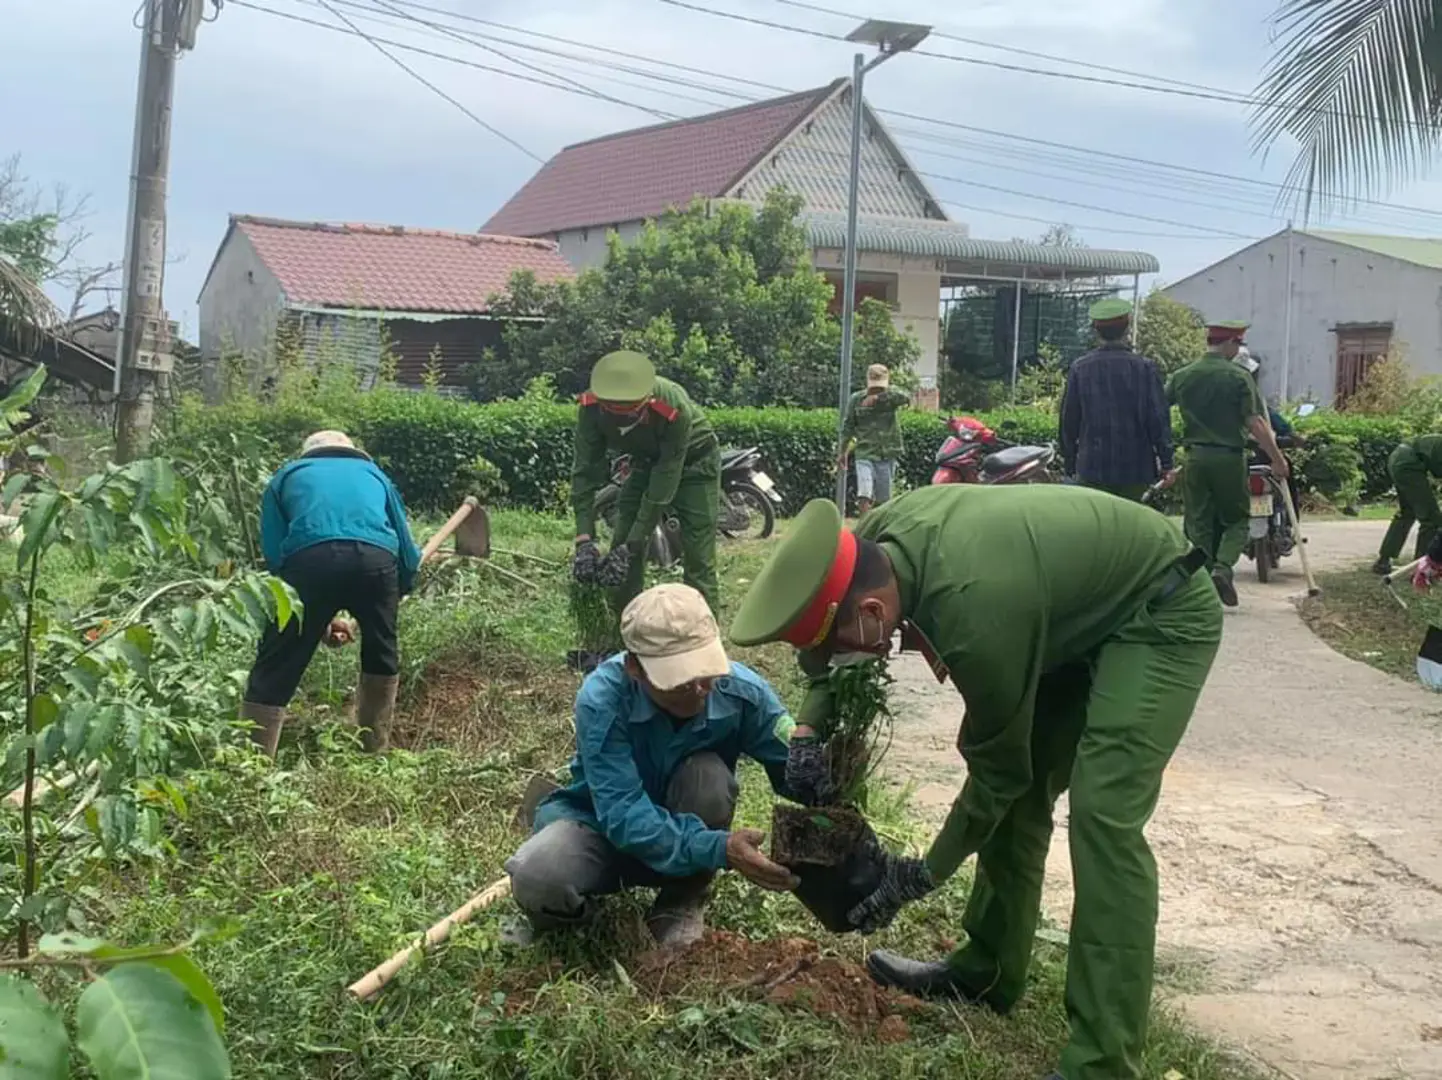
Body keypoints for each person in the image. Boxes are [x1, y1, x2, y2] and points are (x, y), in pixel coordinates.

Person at [729, 486, 1221, 1080]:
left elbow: (999, 769)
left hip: (1158, 609)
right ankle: (986, 968)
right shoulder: (876, 538)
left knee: (1103, 817)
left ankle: (1104, 1061)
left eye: (845, 646)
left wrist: (921, 875)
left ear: (875, 615)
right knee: (1021, 805)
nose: (851, 658)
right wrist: (807, 729)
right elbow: (841, 650)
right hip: (1069, 613)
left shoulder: (973, 610)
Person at [506, 583, 800, 948]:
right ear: (635, 669)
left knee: (708, 776)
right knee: (539, 876)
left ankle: (681, 898)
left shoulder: (743, 693)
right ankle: (587, 920)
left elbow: (797, 772)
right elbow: (624, 814)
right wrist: (719, 848)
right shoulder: (602, 700)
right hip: (601, 831)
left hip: (687, 829)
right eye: (679, 680)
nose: (697, 689)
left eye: (704, 672)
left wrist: (824, 764)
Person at [240, 430, 421, 756]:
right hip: (376, 562)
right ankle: (374, 749)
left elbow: (275, 554)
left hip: (309, 562)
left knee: (278, 659)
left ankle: (251, 760)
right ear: (351, 452)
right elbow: (407, 549)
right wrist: (400, 587)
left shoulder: (284, 478)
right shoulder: (375, 475)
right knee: (381, 652)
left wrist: (304, 610)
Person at [571, 351, 721, 614]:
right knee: (622, 550)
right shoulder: (590, 408)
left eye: (629, 416)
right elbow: (584, 472)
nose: (621, 422)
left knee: (699, 556)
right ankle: (624, 630)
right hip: (645, 463)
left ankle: (704, 639)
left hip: (695, 466)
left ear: (647, 401)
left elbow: (665, 479)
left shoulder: (673, 406)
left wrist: (636, 539)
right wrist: (584, 539)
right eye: (614, 415)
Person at [1166, 321, 1288, 607]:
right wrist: (1277, 459)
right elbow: (1255, 422)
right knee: (1236, 520)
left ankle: (1202, 585)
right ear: (1231, 343)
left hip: (1194, 457)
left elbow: (1159, 409)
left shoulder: (1183, 375)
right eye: (1238, 345)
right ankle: (1222, 569)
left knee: (1198, 523)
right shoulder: (1238, 377)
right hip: (1229, 458)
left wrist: (1164, 456)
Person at [1058, 298, 1175, 501]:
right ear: (1127, 327)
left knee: (1096, 527)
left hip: (1092, 467)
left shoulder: (1080, 368)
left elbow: (1069, 420)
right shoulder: (1145, 368)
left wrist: (1070, 462)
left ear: (1096, 329)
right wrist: (1166, 463)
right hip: (1136, 469)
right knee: (1131, 529)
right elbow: (1158, 419)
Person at [839, 364, 909, 515]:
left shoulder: (892, 397)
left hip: (887, 453)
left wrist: (880, 397)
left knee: (884, 497)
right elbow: (848, 427)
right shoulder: (856, 400)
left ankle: (879, 524)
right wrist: (842, 451)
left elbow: (905, 398)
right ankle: (864, 523)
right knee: (865, 491)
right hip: (865, 452)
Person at [1373, 434, 1442, 576]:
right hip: (1409, 463)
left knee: (1407, 513)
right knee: (1431, 519)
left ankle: (1383, 560)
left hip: (1398, 458)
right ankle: (1422, 569)